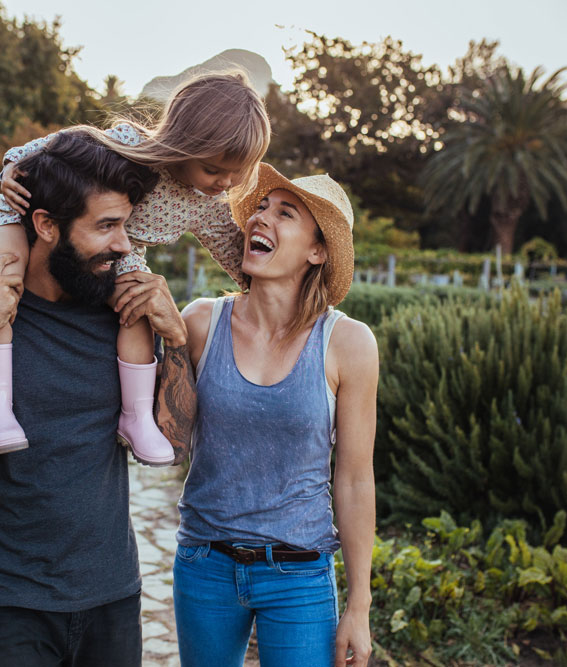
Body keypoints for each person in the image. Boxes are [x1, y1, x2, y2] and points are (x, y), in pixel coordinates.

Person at [0, 130, 196, 666]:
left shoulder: (122, 307)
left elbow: (176, 443)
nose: (123, 244)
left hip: (112, 590)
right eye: (106, 226)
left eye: (127, 225)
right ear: (45, 225)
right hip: (8, 598)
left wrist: (176, 338)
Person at [0, 71, 270, 466]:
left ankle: (134, 418)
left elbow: (234, 253)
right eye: (214, 169)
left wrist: (277, 288)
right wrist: (12, 171)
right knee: (0, 282)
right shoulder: (128, 144)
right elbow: (43, 148)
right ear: (183, 142)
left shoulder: (206, 202)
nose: (226, 182)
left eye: (238, 172)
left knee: (137, 307)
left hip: (117, 254)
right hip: (25, 214)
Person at [172, 163, 378, 667]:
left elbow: (353, 480)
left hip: (300, 575)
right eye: (260, 208)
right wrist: (155, 325)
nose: (261, 219)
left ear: (317, 251)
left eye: (285, 213)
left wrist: (359, 605)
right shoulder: (200, 322)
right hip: (205, 564)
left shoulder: (348, 343)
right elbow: (164, 440)